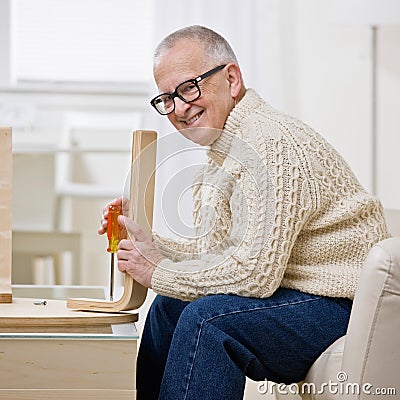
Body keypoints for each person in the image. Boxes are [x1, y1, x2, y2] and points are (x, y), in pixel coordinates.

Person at [98, 25, 389, 400]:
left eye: (189, 87)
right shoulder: (224, 153)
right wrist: (149, 246)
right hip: (296, 294)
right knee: (168, 308)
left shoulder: (269, 142)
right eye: (167, 98)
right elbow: (218, 259)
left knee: (207, 321)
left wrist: (157, 270)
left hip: (341, 304)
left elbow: (253, 275)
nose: (180, 108)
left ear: (231, 79)